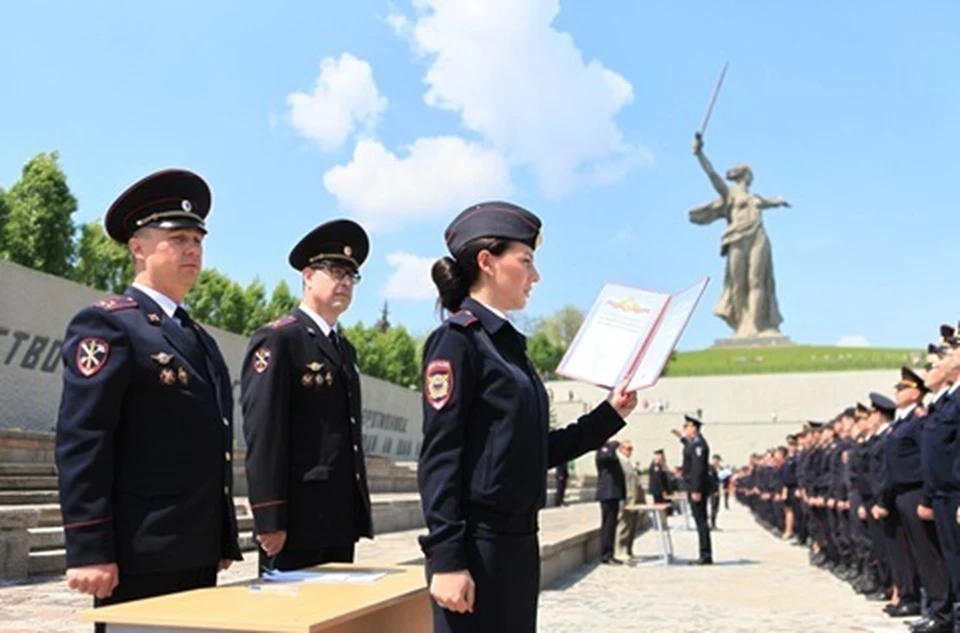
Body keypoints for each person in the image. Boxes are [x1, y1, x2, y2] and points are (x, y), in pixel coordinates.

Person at [416, 201, 639, 633]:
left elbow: (535, 451)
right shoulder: (457, 342)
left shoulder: (509, 349)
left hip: (518, 543)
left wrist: (611, 413)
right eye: (526, 261)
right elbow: (440, 457)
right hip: (476, 546)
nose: (535, 277)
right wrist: (446, 559)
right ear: (487, 262)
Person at [54, 169, 242, 631]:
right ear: (138, 247)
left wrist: (220, 537)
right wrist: (90, 548)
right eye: (177, 238)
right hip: (139, 552)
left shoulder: (199, 338)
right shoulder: (108, 326)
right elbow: (83, 439)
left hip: (195, 549)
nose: (192, 250)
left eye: (197, 239)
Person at [241, 220, 373, 573]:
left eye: (352, 275)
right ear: (308, 275)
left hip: (338, 516)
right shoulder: (280, 339)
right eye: (335, 270)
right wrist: (269, 516)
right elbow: (264, 431)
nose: (345, 281)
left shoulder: (344, 348)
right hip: (296, 520)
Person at [679, 414, 713, 564]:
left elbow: (698, 469)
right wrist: (681, 438)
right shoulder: (694, 443)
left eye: (687, 426)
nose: (685, 429)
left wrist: (696, 489)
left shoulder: (699, 445)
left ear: (694, 428)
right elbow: (688, 449)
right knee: (699, 520)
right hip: (693, 486)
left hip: (697, 488)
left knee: (701, 521)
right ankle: (704, 553)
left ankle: (705, 555)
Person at [595, 440, 627, 564]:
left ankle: (610, 553)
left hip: (614, 494)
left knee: (611, 525)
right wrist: (614, 445)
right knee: (608, 525)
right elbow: (605, 457)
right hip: (607, 494)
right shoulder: (603, 449)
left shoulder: (610, 451)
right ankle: (606, 555)